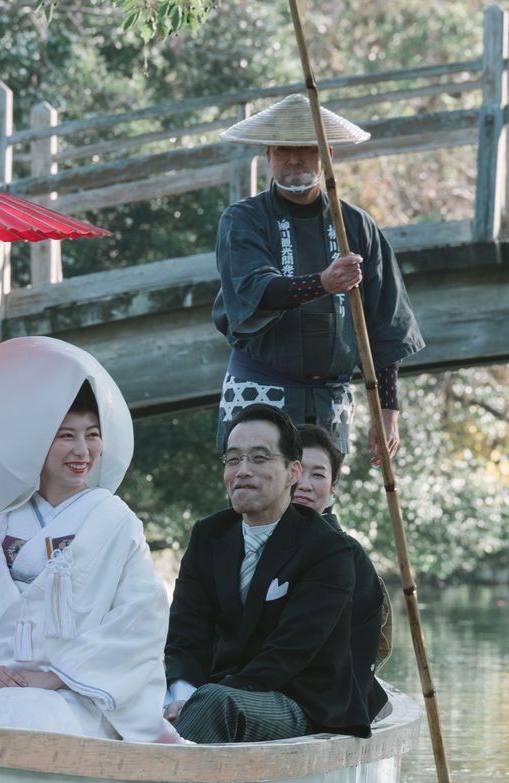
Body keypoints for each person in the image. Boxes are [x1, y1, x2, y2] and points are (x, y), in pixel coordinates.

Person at [0, 336, 179, 743]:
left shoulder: (115, 521)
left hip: (79, 697)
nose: (83, 450)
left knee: (19, 725)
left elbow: (139, 620)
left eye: (92, 434)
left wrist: (57, 676)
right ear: (38, 440)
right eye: (66, 435)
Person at [213, 94, 424, 463]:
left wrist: (387, 411)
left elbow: (386, 325)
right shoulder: (243, 219)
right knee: (260, 490)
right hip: (259, 390)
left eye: (306, 149)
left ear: (327, 153)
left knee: (318, 495)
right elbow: (256, 289)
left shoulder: (356, 225)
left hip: (331, 400)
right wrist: (322, 284)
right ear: (268, 156)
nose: (294, 160)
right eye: (283, 149)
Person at [163, 404, 371, 743]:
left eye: (259, 458)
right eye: (233, 459)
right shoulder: (208, 535)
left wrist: (201, 699)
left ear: (293, 472)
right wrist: (182, 694)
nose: (242, 471)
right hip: (214, 694)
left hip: (299, 701)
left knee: (215, 703)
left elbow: (289, 653)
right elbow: (187, 631)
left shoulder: (328, 549)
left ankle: (163, 772)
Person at [294, 424, 391, 722]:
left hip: (328, 700)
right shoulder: (257, 537)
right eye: (297, 472)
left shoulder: (344, 553)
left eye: (318, 475)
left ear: (333, 487)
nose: (304, 485)